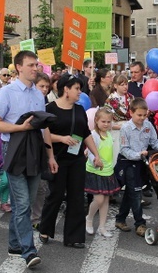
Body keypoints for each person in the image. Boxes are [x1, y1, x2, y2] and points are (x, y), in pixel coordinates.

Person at [0, 50, 59, 269]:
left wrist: (50, 155)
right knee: (21, 205)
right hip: (14, 147)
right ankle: (29, 252)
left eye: (36, 65)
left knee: (27, 202)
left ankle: (14, 244)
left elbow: (43, 127)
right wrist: (20, 127)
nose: (35, 68)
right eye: (30, 65)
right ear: (18, 67)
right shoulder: (6, 92)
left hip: (35, 148)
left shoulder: (38, 94)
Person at [38, 74, 103, 249]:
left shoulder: (79, 109)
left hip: (76, 159)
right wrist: (61, 139)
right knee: (55, 195)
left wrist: (96, 154)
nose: (79, 92)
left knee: (76, 197)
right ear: (66, 89)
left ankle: (74, 237)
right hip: (58, 158)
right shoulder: (50, 108)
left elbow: (86, 134)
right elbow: (44, 134)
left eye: (80, 89)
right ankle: (45, 229)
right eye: (76, 88)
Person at [115, 97, 158, 236]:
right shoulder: (125, 128)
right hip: (127, 162)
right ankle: (140, 223)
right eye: (139, 115)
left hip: (141, 162)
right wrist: (138, 154)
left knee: (131, 191)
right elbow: (124, 149)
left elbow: (154, 141)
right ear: (131, 112)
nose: (142, 118)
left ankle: (120, 219)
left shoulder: (148, 125)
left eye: (144, 115)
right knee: (136, 192)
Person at [85, 107, 120, 237]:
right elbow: (90, 151)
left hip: (108, 171)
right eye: (103, 121)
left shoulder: (109, 134)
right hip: (95, 171)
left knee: (105, 200)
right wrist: (94, 159)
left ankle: (102, 226)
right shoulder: (94, 135)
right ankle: (89, 218)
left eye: (108, 122)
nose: (106, 124)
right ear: (96, 121)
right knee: (99, 199)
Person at [31, 72, 53, 229]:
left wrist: (50, 154)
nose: (44, 89)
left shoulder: (47, 102)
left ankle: (36, 217)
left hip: (42, 146)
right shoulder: (30, 100)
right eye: (41, 86)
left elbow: (47, 129)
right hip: (29, 146)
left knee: (41, 185)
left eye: (47, 87)